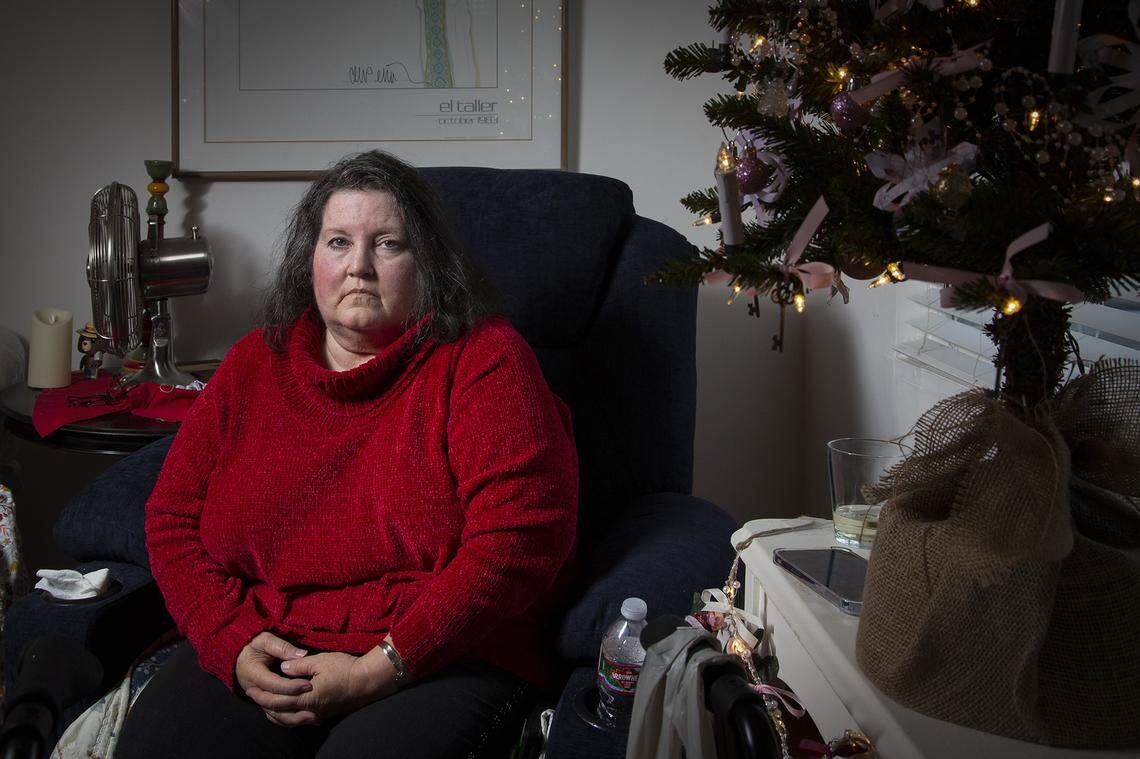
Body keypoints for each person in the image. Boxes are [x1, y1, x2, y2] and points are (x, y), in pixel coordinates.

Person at [116, 151, 579, 758]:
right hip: (269, 641)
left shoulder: (485, 360)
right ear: (311, 258)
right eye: (338, 241)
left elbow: (521, 539)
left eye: (388, 244)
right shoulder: (253, 363)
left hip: (438, 653)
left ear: (429, 263)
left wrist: (377, 670)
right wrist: (228, 638)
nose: (358, 266)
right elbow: (172, 519)